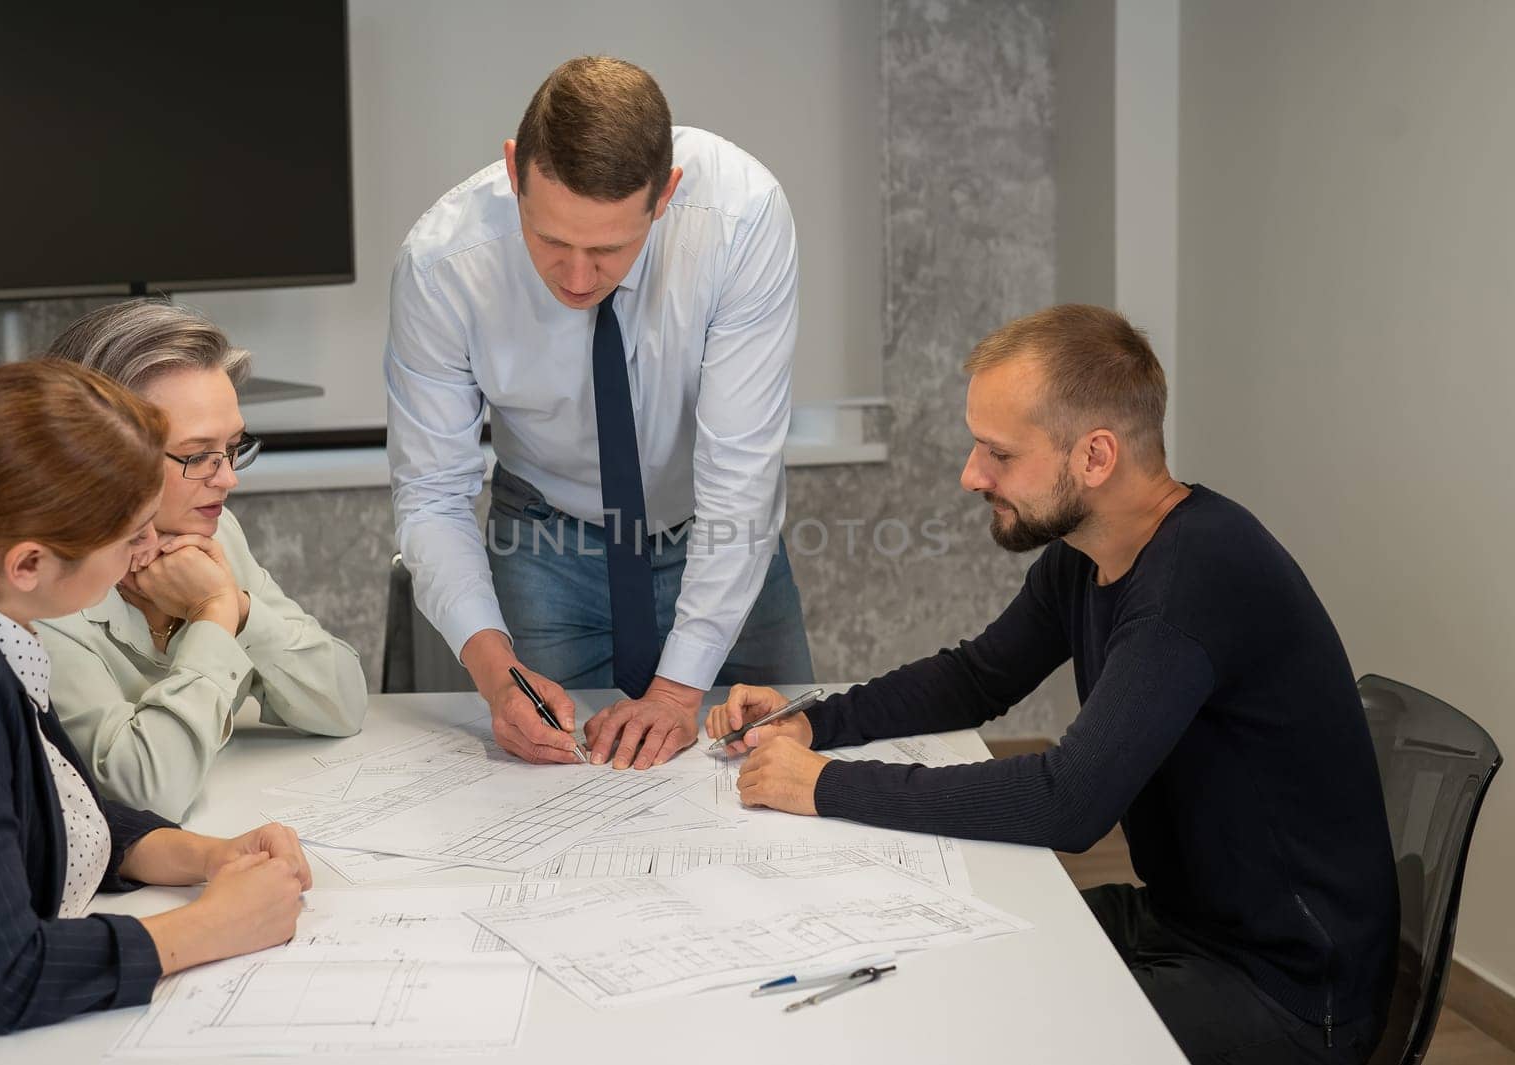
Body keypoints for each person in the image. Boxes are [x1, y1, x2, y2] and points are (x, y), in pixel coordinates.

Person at [706, 305, 1399, 1064]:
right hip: (1183, 925)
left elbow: (1068, 801)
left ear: (1095, 456)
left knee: (991, 1039)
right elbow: (974, 678)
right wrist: (814, 724)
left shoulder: (1195, 579)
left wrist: (823, 785)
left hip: (1289, 990)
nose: (973, 474)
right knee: (933, 968)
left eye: (998, 452)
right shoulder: (1090, 551)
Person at [387, 55, 813, 771]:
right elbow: (431, 495)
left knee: (769, 771)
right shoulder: (441, 264)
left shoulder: (742, 216)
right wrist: (498, 676)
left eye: (610, 249)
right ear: (514, 168)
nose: (578, 278)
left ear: (666, 193)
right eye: (551, 241)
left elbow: (740, 471)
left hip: (720, 531)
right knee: (556, 783)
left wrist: (679, 694)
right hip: (549, 543)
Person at [0, 361, 310, 1065]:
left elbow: (55, 803)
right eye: (130, 535)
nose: (150, 548)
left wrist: (205, 855)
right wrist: (205, 927)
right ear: (29, 563)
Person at [39, 299, 367, 821]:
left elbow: (343, 704)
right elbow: (144, 792)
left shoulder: (210, 533)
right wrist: (216, 615)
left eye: (234, 448)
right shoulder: (38, 585)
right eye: (196, 456)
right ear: (94, 452)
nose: (228, 479)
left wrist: (240, 606)